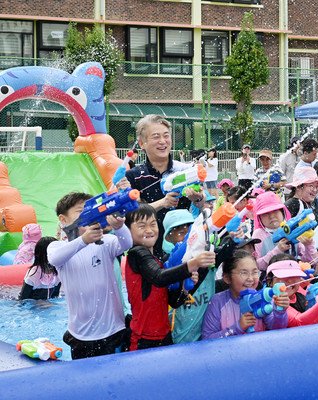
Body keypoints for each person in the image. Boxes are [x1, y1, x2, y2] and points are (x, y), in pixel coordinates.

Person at [47, 192, 132, 359]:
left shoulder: (105, 242)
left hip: (114, 328)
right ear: (64, 220)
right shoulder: (57, 246)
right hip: (80, 334)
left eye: (91, 209)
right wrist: (83, 240)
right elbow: (54, 258)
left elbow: (127, 243)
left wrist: (119, 226)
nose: (89, 214)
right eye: (80, 211)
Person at [124, 203, 215, 351]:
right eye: (141, 226)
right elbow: (159, 278)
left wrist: (185, 289)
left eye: (153, 224)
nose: (149, 230)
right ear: (128, 231)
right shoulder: (136, 254)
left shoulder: (157, 261)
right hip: (144, 339)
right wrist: (192, 264)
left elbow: (174, 302)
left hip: (164, 336)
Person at [126, 114, 204, 256]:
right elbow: (132, 215)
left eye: (166, 136)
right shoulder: (134, 176)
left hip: (182, 248)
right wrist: (162, 203)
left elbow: (204, 204)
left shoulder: (186, 171)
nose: (163, 141)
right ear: (142, 144)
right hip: (147, 250)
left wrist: (198, 199)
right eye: (156, 137)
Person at [201, 250, 289, 339]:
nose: (251, 279)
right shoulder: (217, 302)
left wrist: (280, 312)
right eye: (244, 273)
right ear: (227, 277)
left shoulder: (261, 298)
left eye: (255, 272)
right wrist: (238, 327)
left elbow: (278, 329)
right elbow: (208, 339)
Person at [266, 254, 318, 326]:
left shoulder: (302, 292)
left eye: (294, 275)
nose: (290, 281)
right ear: (270, 282)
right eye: (283, 276)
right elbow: (298, 322)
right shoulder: (274, 302)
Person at [252, 191, 318, 273]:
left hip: (293, 277)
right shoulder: (259, 234)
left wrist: (309, 245)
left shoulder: (292, 228)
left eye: (275, 211)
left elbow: (310, 262)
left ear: (283, 212)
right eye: (266, 213)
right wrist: (277, 251)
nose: (271, 216)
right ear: (259, 218)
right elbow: (257, 265)